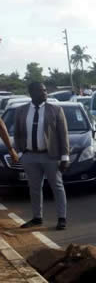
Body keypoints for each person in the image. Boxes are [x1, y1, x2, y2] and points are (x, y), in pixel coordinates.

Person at [13, 82, 70, 230]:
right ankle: (37, 218)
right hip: (30, 157)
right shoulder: (21, 111)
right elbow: (17, 134)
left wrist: (65, 157)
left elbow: (63, 135)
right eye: (41, 91)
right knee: (34, 188)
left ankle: (61, 218)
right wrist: (20, 153)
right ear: (31, 93)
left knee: (57, 186)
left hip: (50, 156)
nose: (45, 93)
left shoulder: (55, 110)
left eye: (45, 90)